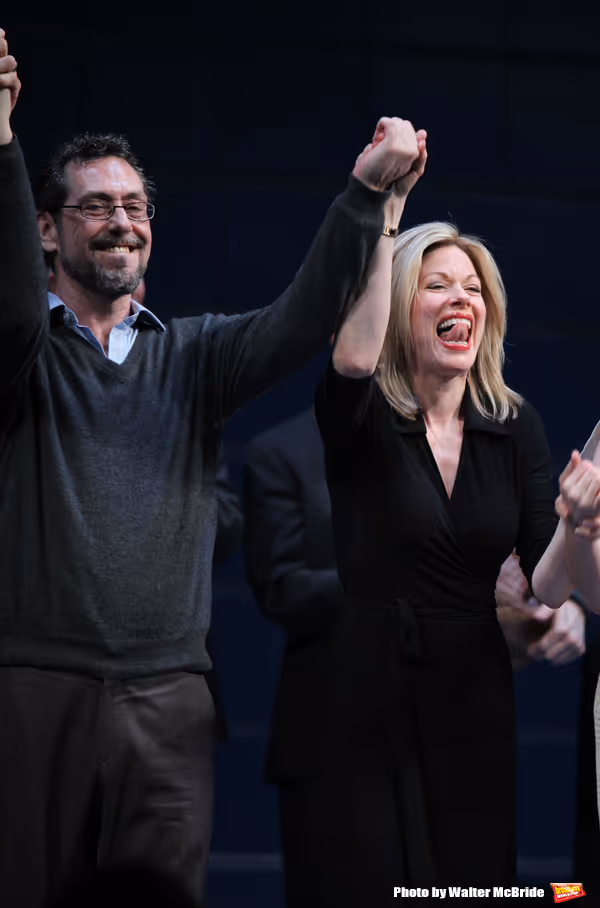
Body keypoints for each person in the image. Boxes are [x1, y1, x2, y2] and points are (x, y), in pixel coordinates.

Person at [0, 32, 420, 908]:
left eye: (135, 205)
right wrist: (2, 140)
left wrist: (365, 192)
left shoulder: (194, 356)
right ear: (46, 229)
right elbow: (8, 299)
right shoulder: (25, 353)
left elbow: (303, 320)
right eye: (94, 207)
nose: (122, 221)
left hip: (171, 700)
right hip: (35, 691)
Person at [311, 115, 586, 899]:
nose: (458, 298)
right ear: (403, 305)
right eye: (436, 285)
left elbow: (548, 581)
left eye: (472, 289)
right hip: (368, 692)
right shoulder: (364, 416)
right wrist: (386, 211)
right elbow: (354, 357)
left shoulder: (514, 424)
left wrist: (579, 524)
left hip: (474, 697)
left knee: (470, 884)